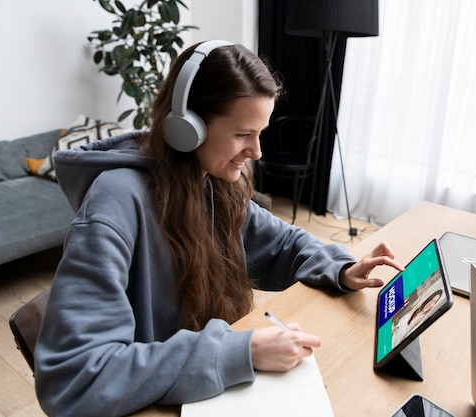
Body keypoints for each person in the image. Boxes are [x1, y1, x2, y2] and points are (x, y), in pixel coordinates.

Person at [34, 40, 403, 417]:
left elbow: (284, 242)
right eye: (243, 134)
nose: (257, 151)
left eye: (260, 132)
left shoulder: (210, 181)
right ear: (186, 127)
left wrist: (341, 267)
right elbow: (74, 377)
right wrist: (243, 351)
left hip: (202, 393)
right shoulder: (114, 205)